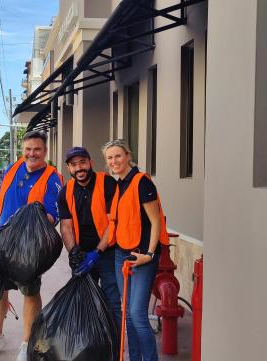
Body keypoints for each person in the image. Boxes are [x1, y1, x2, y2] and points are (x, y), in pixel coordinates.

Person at [0, 131, 62, 361]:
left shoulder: (52, 177)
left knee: (29, 292)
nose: (32, 153)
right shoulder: (13, 169)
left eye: (37, 150)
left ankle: (27, 342)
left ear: (45, 152)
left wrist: (31, 222)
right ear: (23, 149)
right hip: (1, 241)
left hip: (28, 247)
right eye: (28, 149)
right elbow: (2, 201)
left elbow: (54, 215)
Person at [102, 139, 169, 361]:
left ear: (128, 155)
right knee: (127, 314)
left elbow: (156, 221)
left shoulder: (142, 182)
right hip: (123, 254)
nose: (114, 161)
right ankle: (135, 358)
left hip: (142, 255)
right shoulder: (119, 183)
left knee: (138, 314)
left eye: (118, 156)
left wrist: (149, 254)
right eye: (110, 158)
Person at [57, 146, 121, 329]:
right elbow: (66, 226)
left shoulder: (107, 183)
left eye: (82, 162)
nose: (79, 168)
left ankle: (114, 351)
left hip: (107, 253)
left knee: (113, 303)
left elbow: (113, 223)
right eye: (73, 165)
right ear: (69, 168)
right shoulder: (66, 191)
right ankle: (91, 347)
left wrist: (98, 252)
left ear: (91, 163)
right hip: (82, 256)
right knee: (83, 304)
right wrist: (74, 253)